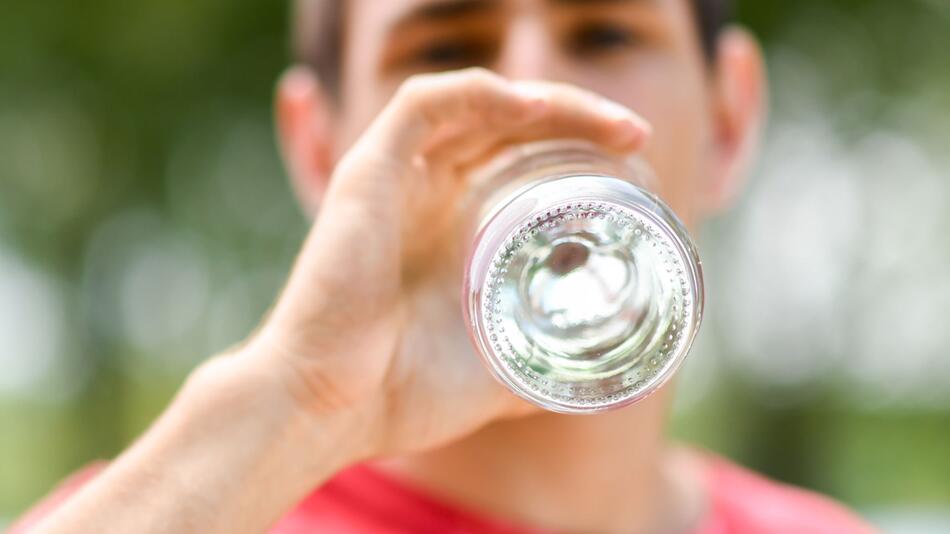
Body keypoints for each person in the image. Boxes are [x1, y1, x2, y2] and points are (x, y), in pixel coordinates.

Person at [13, 0, 877, 532]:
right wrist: (300, 405)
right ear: (319, 149)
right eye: (440, 46)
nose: (531, 90)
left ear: (729, 118)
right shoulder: (192, 505)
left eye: (606, 31)